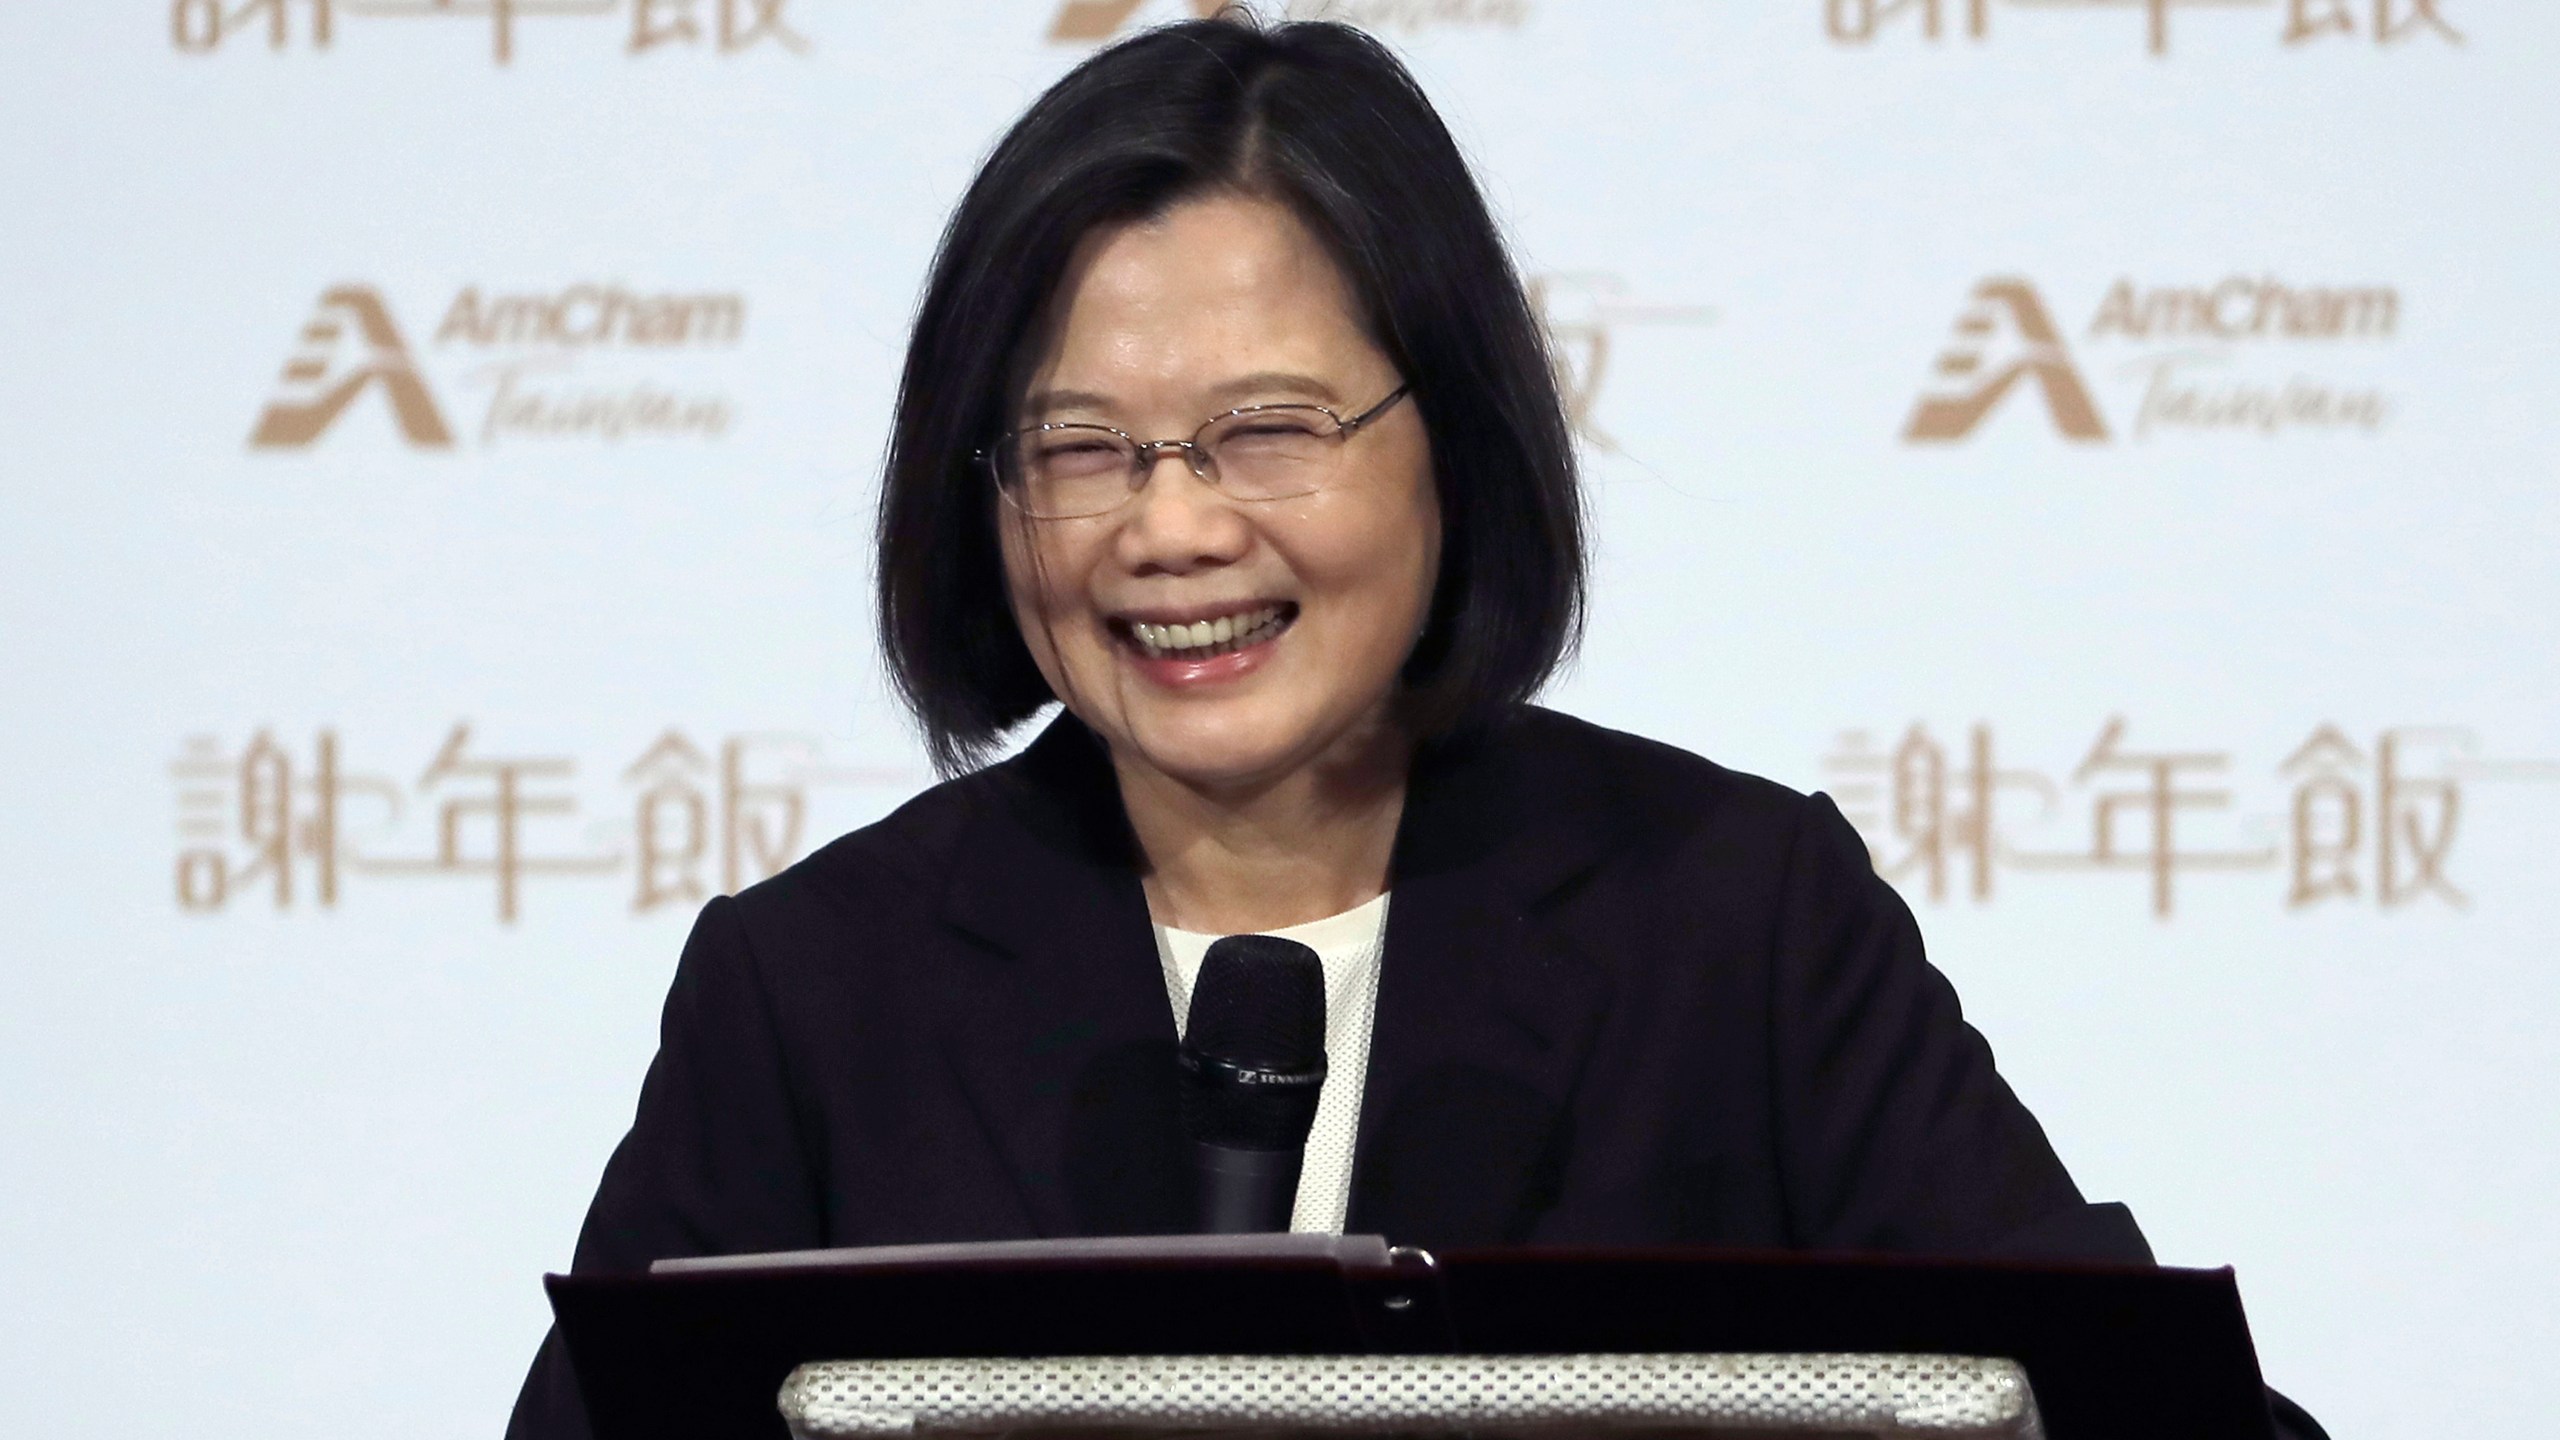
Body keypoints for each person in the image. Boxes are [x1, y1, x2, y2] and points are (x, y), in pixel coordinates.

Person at [505, 16, 2322, 1440]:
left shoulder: (1735, 923)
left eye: (1268, 430)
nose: (1173, 529)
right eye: (1078, 449)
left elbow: (2127, 1405)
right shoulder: (816, 989)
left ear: (1449, 438)